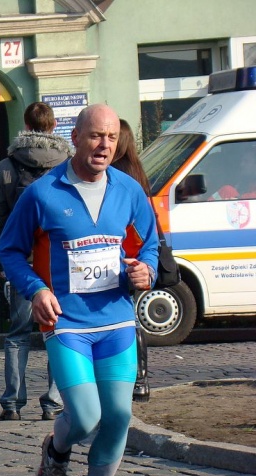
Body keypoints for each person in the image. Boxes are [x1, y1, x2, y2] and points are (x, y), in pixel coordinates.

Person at [0, 104, 159, 476]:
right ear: (76, 136)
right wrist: (36, 290)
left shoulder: (127, 191)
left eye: (110, 137)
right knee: (86, 418)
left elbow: (151, 247)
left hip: (117, 321)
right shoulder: (43, 193)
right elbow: (9, 250)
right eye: (94, 136)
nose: (103, 145)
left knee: (119, 416)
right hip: (66, 323)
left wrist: (146, 270)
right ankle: (57, 447)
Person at [0, 101, 70, 421]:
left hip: (21, 262)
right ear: (54, 125)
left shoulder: (5, 168)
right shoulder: (67, 165)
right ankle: (53, 402)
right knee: (58, 331)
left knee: (18, 333)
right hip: (61, 262)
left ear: (25, 124)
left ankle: (12, 402)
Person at [112, 119, 152, 402]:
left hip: (124, 253)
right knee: (134, 316)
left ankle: (135, 378)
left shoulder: (117, 175)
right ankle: (141, 379)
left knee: (128, 318)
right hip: (137, 253)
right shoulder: (137, 169)